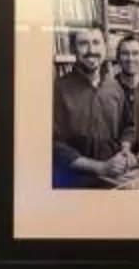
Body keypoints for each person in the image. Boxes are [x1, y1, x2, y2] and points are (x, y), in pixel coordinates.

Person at [52, 27, 133, 188]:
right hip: (73, 183)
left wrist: (125, 150)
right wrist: (100, 167)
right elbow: (54, 145)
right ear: (73, 49)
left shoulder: (115, 87)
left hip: (113, 180)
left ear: (105, 47)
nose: (91, 50)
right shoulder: (58, 90)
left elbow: (128, 127)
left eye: (96, 43)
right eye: (83, 44)